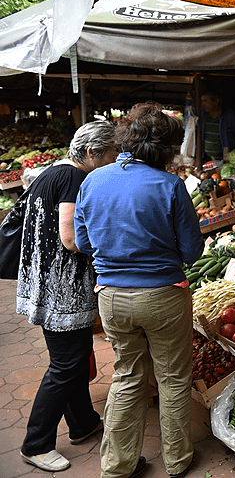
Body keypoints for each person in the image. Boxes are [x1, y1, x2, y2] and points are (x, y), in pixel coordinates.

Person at [74, 102, 204, 478]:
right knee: (173, 378)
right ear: (166, 149)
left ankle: (117, 466)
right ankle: (178, 461)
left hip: (112, 298)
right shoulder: (170, 185)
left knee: (127, 375)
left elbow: (83, 242)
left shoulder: (93, 181)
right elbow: (193, 251)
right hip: (163, 296)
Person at [16, 120, 118, 473]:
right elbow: (71, 239)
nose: (114, 161)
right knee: (65, 365)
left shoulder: (51, 173)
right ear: (91, 153)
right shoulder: (75, 180)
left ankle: (83, 422)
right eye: (110, 154)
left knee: (74, 358)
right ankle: (36, 443)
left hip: (42, 283)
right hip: (62, 290)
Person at [199, 90, 235, 160]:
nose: (203, 104)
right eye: (202, 101)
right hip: (206, 160)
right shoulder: (203, 116)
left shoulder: (230, 116)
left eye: (205, 101)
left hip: (225, 160)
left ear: (216, 102)